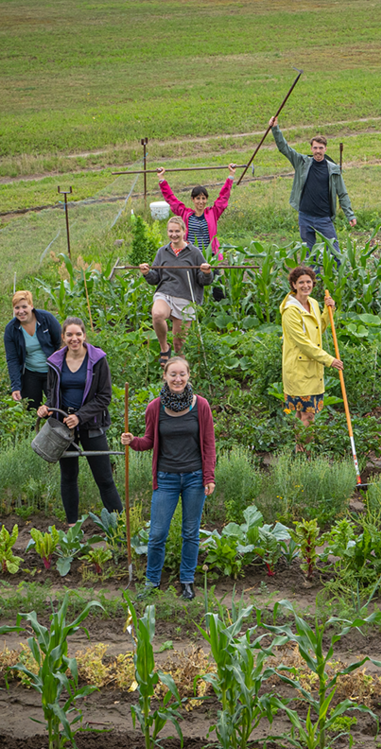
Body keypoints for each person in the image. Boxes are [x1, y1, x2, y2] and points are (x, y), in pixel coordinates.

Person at [122, 356, 216, 601]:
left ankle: (187, 581)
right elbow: (149, 442)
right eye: (173, 374)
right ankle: (152, 582)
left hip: (195, 478)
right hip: (166, 479)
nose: (178, 379)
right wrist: (132, 441)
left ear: (188, 376)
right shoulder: (155, 407)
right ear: (164, 376)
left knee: (190, 533)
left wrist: (209, 476)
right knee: (157, 534)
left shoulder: (201, 405)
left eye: (182, 374)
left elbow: (208, 444)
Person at [37, 317, 123, 526]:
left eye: (78, 334)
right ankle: (72, 527)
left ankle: (121, 525)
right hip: (63, 427)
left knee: (104, 478)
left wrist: (80, 416)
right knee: (68, 476)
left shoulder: (97, 360)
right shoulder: (55, 361)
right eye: (69, 335)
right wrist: (46, 407)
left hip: (91, 424)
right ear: (63, 337)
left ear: (84, 336)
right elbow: (52, 392)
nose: (74, 339)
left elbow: (104, 396)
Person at [270, 116, 356, 262]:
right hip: (305, 217)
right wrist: (275, 129)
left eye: (321, 148)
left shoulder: (333, 169)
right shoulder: (302, 162)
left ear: (325, 149)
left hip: (324, 218)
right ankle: (312, 281)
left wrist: (350, 214)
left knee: (335, 251)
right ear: (311, 148)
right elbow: (284, 148)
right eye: (315, 148)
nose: (318, 151)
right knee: (309, 254)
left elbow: (342, 193)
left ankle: (339, 280)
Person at [139, 216, 213, 366]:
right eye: (171, 231)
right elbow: (155, 279)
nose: (174, 234)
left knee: (179, 345)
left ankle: (183, 380)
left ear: (184, 231)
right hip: (165, 293)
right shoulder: (162, 252)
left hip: (185, 298)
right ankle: (164, 348)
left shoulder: (194, 253)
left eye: (177, 231)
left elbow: (204, 281)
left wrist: (206, 272)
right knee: (158, 314)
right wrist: (147, 273)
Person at [279, 266, 342, 428]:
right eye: (301, 282)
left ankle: (300, 450)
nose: (306, 285)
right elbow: (303, 343)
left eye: (309, 282)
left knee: (303, 414)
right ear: (293, 285)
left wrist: (329, 311)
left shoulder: (313, 303)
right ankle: (308, 452)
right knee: (307, 414)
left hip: (312, 368)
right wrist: (329, 360)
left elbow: (317, 329)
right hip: (298, 369)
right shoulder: (290, 311)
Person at [156, 164, 236, 257]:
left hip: (210, 257)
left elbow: (223, 198)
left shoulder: (212, 213)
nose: (201, 202)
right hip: (190, 257)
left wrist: (231, 175)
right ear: (193, 199)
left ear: (206, 199)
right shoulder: (186, 214)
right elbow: (171, 199)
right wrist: (161, 178)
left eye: (203, 198)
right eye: (198, 198)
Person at [4, 290, 61, 410]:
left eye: (24, 306)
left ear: (31, 306)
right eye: (17, 307)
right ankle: (35, 429)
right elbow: (12, 359)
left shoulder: (46, 319)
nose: (21, 311)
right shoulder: (11, 329)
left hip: (51, 371)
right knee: (32, 408)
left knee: (56, 406)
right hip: (30, 373)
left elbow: (60, 344)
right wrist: (16, 386)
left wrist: (61, 369)